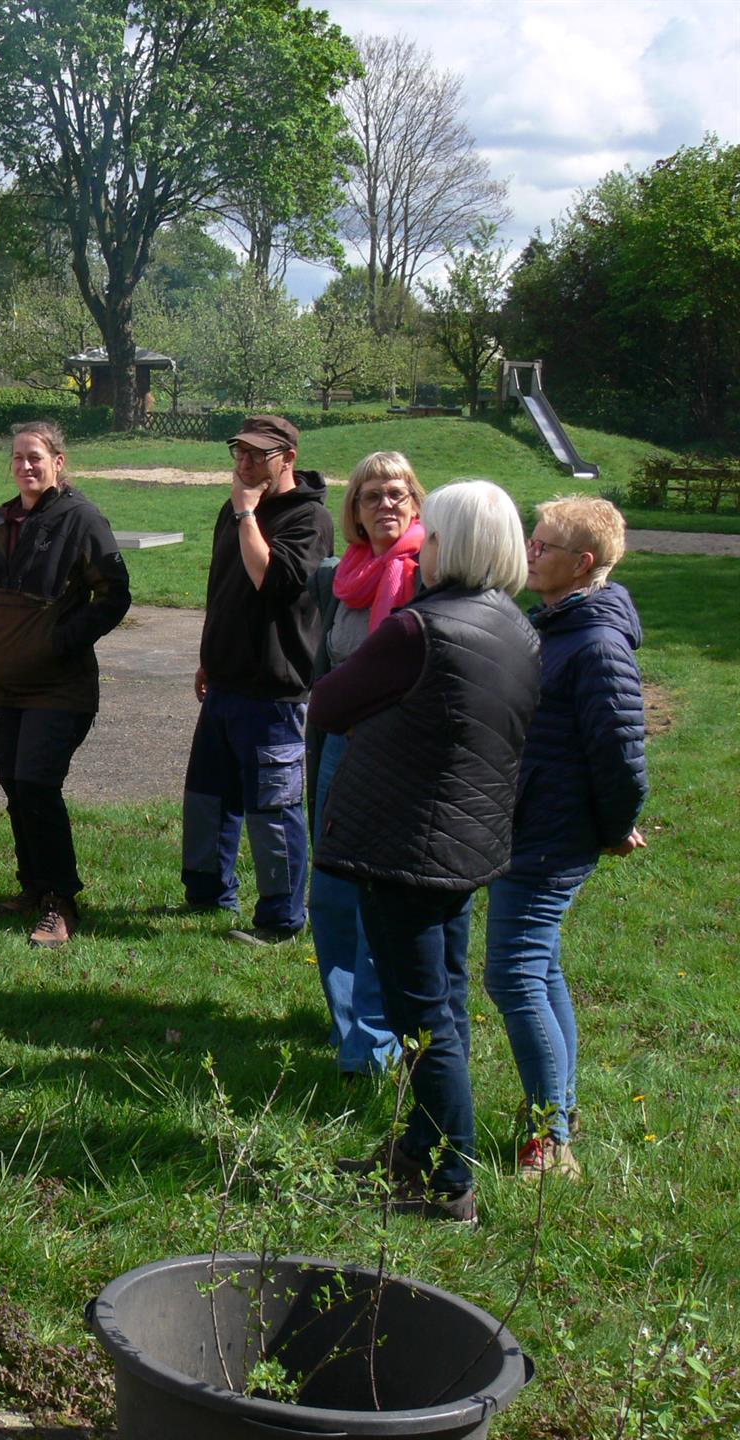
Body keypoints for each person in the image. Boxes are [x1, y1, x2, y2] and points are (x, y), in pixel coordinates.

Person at [312, 480, 540, 1224]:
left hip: (408, 843)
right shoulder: (516, 626)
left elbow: (332, 700)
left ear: (454, 543)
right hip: (465, 843)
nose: (422, 544)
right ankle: (417, 1149)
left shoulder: (421, 629)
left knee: (423, 1020)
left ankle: (449, 1185)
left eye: (431, 533)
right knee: (440, 1000)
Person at [487, 496, 648, 1181]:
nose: (530, 550)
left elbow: (622, 756)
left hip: (553, 833)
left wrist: (612, 829)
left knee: (513, 974)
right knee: (540, 967)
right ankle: (558, 1115)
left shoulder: (597, 644)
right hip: (531, 821)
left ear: (582, 564)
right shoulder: (559, 625)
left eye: (544, 545)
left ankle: (550, 1140)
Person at [0, 421, 132, 948]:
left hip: (58, 687)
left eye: (36, 456)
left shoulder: (80, 519)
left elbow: (115, 593)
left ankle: (61, 901)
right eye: (18, 458)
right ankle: (33, 885)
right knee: (15, 784)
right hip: (0, 684)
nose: (26, 466)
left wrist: (60, 641)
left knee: (36, 782)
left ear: (59, 461)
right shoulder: (2, 522)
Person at [182, 414, 334, 944]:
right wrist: (208, 655)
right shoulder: (236, 508)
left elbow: (268, 578)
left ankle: (281, 920)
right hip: (225, 681)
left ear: (287, 458)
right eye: (238, 452)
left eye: (256, 454)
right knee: (207, 796)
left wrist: (248, 514)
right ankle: (207, 893)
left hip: (274, 690)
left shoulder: (308, 519)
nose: (243, 463)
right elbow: (222, 588)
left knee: (272, 809)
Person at [305, 453, 425, 1076]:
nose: (386, 504)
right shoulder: (341, 576)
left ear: (416, 502)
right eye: (372, 494)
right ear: (352, 509)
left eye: (398, 493)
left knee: (380, 900)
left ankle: (374, 1047)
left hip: (400, 758)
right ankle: (346, 1022)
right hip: (341, 751)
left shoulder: (428, 574)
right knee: (330, 895)